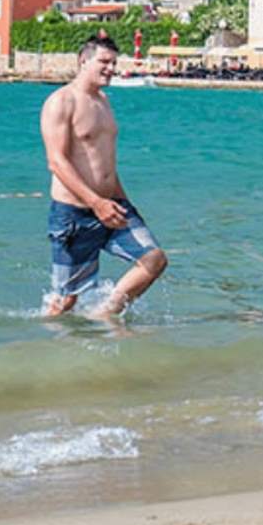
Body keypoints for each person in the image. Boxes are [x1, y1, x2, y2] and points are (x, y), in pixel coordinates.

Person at [40, 35, 167, 319]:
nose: (111, 68)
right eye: (104, 62)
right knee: (65, 302)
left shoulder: (104, 101)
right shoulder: (61, 102)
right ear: (83, 61)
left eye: (113, 63)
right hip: (75, 214)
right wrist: (96, 203)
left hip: (113, 205)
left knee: (154, 259)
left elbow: (105, 162)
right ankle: (47, 347)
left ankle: (105, 314)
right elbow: (56, 162)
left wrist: (124, 202)